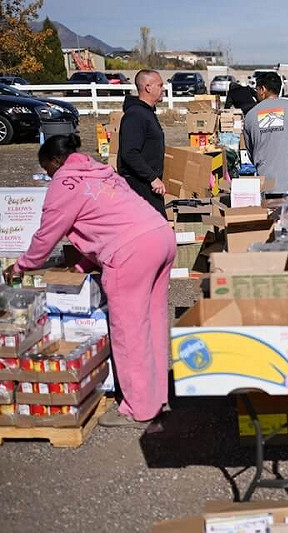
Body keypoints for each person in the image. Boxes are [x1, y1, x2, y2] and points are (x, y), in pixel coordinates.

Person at [3, 134, 175, 428]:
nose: (48, 176)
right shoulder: (100, 172)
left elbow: (47, 235)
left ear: (57, 161)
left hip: (130, 252)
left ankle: (140, 408)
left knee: (129, 332)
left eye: (47, 170)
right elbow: (106, 220)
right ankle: (158, 396)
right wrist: (83, 264)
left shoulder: (64, 184)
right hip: (160, 235)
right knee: (153, 321)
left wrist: (21, 265)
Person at [243, 72, 288, 194]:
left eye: (257, 90)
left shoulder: (251, 115)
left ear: (262, 89)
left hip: (265, 186)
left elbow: (251, 151)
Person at [117, 69, 167, 218]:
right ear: (148, 87)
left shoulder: (147, 113)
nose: (163, 89)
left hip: (149, 187)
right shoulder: (136, 115)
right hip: (139, 186)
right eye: (160, 85)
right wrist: (152, 178)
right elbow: (129, 152)